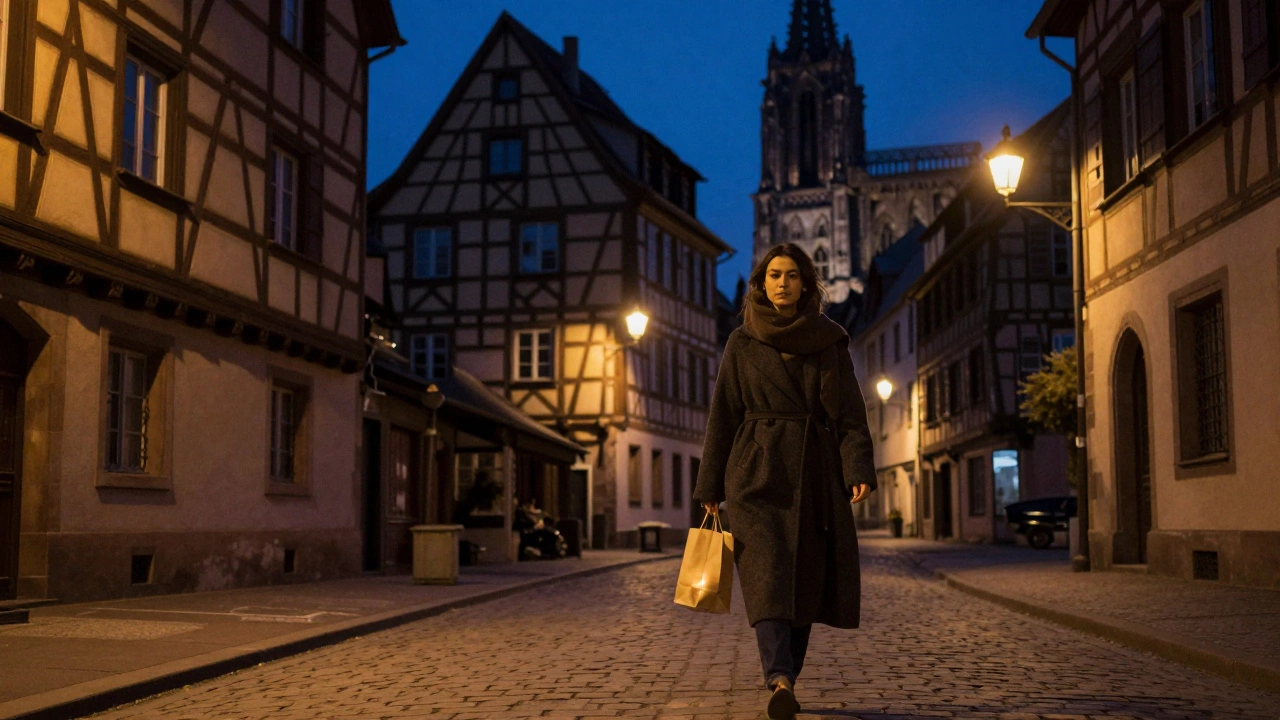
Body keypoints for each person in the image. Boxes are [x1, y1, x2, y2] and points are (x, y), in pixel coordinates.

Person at [692, 243, 875, 720]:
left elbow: (852, 415)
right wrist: (710, 485)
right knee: (767, 573)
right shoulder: (742, 342)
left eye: (792, 275)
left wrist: (856, 468)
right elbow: (723, 415)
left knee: (805, 579)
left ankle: (786, 674)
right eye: (774, 274)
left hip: (814, 472)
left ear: (806, 284)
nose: (782, 283)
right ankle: (779, 677)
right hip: (755, 471)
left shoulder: (829, 340)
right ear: (761, 282)